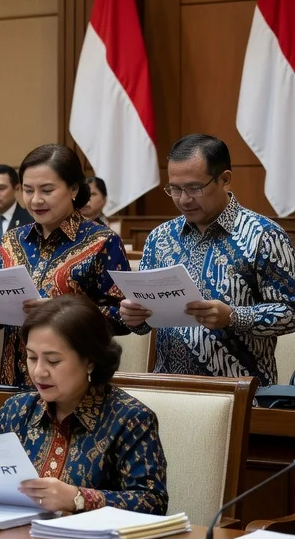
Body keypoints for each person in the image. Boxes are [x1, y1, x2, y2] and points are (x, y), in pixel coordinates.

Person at [0, 295, 167, 514]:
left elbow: (152, 502)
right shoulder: (16, 410)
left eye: (53, 360)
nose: (39, 372)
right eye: (32, 357)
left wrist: (77, 498)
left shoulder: (130, 418)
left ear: (90, 361)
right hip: (15, 535)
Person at [121, 134, 295, 386]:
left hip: (240, 391)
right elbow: (145, 322)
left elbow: (291, 312)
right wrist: (134, 317)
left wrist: (234, 317)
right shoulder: (160, 237)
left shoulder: (263, 235)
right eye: (175, 189)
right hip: (167, 388)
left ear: (225, 180)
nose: (184, 199)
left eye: (194, 188)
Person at [0, 144, 130, 387]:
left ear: (74, 189)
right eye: (28, 190)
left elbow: (125, 318)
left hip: (75, 384)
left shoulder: (102, 242)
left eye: (47, 190)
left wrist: (62, 311)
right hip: (15, 381)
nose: (35, 200)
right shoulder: (11, 241)